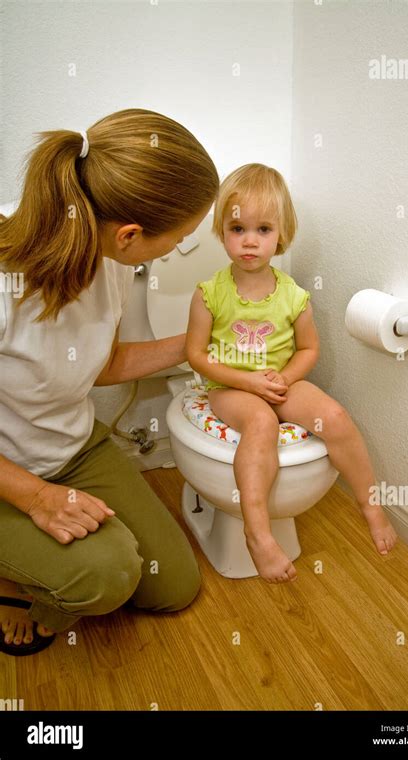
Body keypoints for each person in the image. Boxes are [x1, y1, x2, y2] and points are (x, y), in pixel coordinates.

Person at [0, 108, 219, 655]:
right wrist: (36, 498)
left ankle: (44, 561)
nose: (178, 249)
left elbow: (102, 363)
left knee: (172, 584)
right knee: (107, 574)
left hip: (73, 447)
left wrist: (200, 345)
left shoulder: (110, 255)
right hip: (7, 469)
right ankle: (39, 586)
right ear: (130, 234)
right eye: (179, 239)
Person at [185, 163, 397, 584]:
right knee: (261, 423)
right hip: (230, 386)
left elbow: (309, 349)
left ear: (281, 235)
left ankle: (371, 506)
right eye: (237, 228)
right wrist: (246, 382)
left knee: (335, 417)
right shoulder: (209, 294)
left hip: (281, 382)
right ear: (221, 231)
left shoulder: (294, 296)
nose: (249, 240)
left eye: (263, 229)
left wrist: (285, 377)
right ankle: (258, 534)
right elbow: (196, 356)